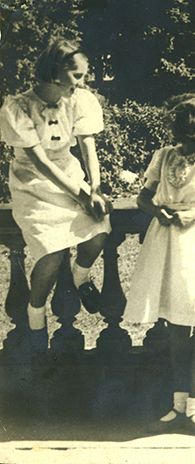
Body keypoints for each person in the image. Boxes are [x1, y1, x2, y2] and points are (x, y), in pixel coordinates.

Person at [124, 93, 195, 438]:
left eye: (194, 130)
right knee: (175, 325)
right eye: (183, 129)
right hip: (166, 240)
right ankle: (177, 407)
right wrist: (158, 211)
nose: (188, 137)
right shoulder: (164, 156)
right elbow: (143, 197)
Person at [0, 39, 112, 351]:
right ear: (54, 71)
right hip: (32, 183)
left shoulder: (79, 100)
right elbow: (41, 163)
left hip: (69, 174)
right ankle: (36, 316)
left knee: (99, 228)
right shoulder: (18, 107)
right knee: (51, 251)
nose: (82, 82)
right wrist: (81, 196)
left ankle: (80, 277)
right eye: (77, 75)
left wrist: (95, 189)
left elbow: (87, 145)